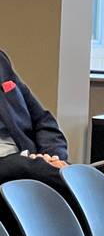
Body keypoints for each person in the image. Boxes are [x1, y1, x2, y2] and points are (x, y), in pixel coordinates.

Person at [0, 50, 69, 193]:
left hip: (34, 163)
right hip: (13, 166)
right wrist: (32, 164)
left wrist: (51, 156)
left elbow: (43, 120)